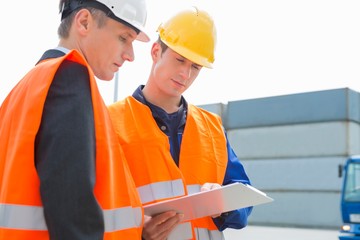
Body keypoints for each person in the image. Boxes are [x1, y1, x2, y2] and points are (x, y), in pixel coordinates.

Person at [0, 0, 151, 239]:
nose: (130, 55)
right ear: (84, 22)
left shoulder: (26, 87)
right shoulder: (69, 78)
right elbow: (72, 207)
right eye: (124, 38)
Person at [108, 7, 253, 240]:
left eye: (195, 67)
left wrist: (225, 203)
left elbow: (243, 196)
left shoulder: (213, 128)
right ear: (156, 51)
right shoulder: (110, 122)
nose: (185, 74)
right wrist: (139, 230)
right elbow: (95, 207)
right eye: (179, 60)